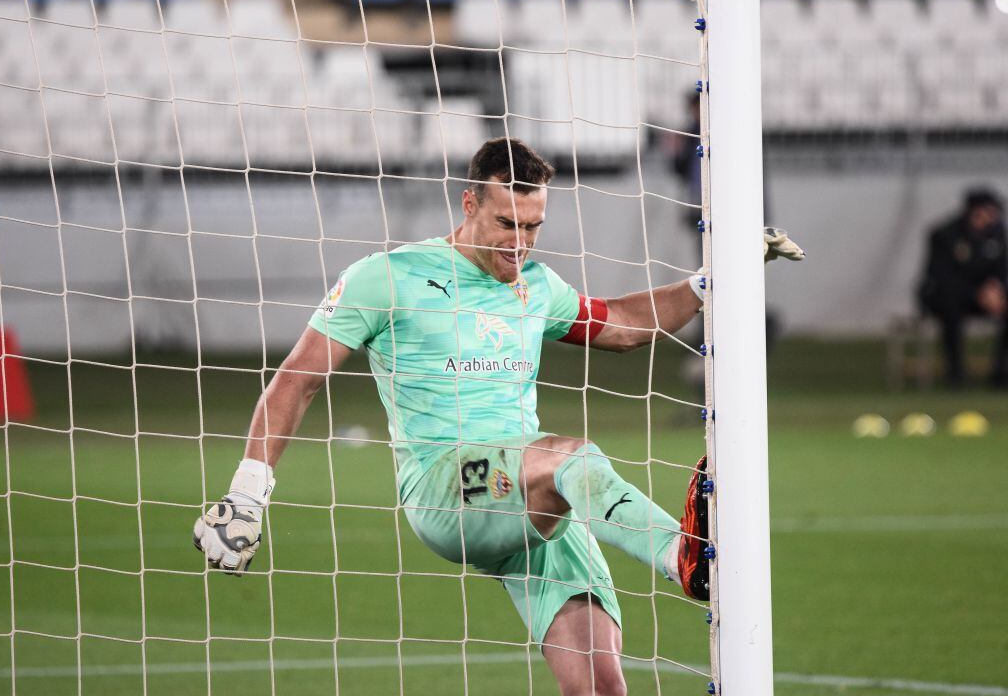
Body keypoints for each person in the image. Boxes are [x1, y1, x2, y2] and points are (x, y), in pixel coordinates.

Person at [193, 138, 803, 695]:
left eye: (534, 227)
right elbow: (296, 380)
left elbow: (621, 326)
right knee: (571, 456)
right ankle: (682, 559)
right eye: (507, 223)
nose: (520, 242)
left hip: (529, 498)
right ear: (468, 204)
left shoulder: (536, 285)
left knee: (602, 684)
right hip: (444, 488)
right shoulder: (387, 277)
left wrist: (710, 282)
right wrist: (248, 492)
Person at [919, 189, 1008, 387]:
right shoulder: (945, 234)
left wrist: (997, 289)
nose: (993, 216)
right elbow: (941, 277)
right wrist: (977, 293)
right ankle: (956, 373)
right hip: (949, 296)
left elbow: (1001, 269)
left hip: (985, 298)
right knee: (950, 308)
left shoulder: (996, 234)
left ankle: (1001, 372)